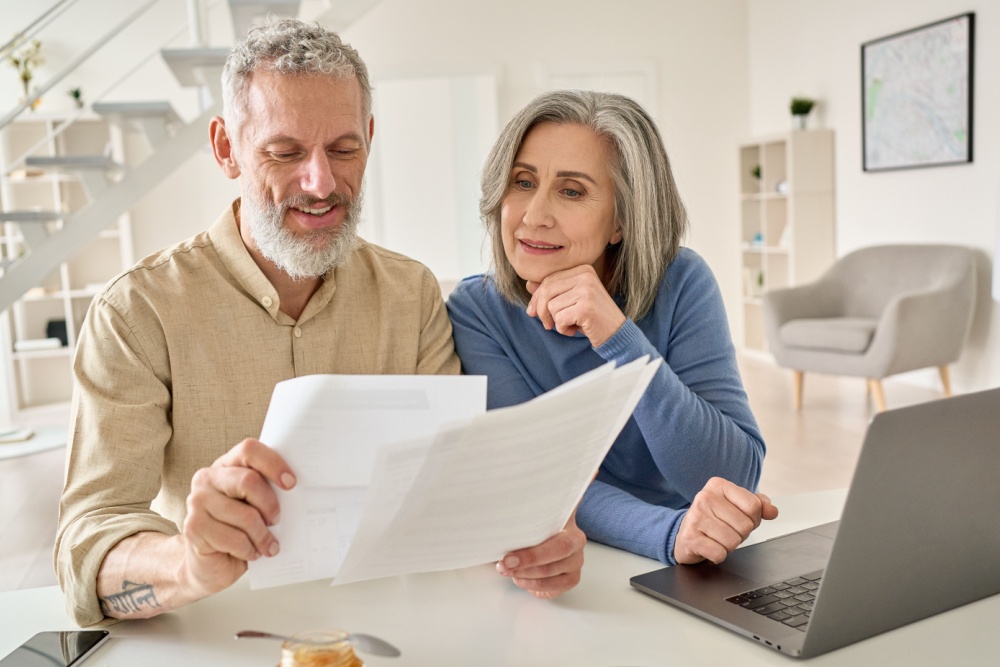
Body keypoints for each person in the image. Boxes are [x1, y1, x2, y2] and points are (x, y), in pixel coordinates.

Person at [53, 20, 576, 628]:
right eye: (285, 152)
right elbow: (87, 542)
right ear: (226, 149)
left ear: (371, 139)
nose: (322, 183)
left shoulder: (412, 295)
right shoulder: (136, 313)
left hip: (396, 632)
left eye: (345, 149)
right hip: (216, 636)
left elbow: (455, 491)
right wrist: (186, 563)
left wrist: (531, 536)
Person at [447, 90, 778, 572]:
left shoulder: (682, 282)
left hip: (686, 559)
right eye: (522, 182)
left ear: (621, 219)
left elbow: (732, 474)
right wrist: (667, 534)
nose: (533, 215)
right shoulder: (477, 310)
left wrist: (619, 339)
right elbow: (538, 478)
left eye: (571, 190)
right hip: (563, 558)